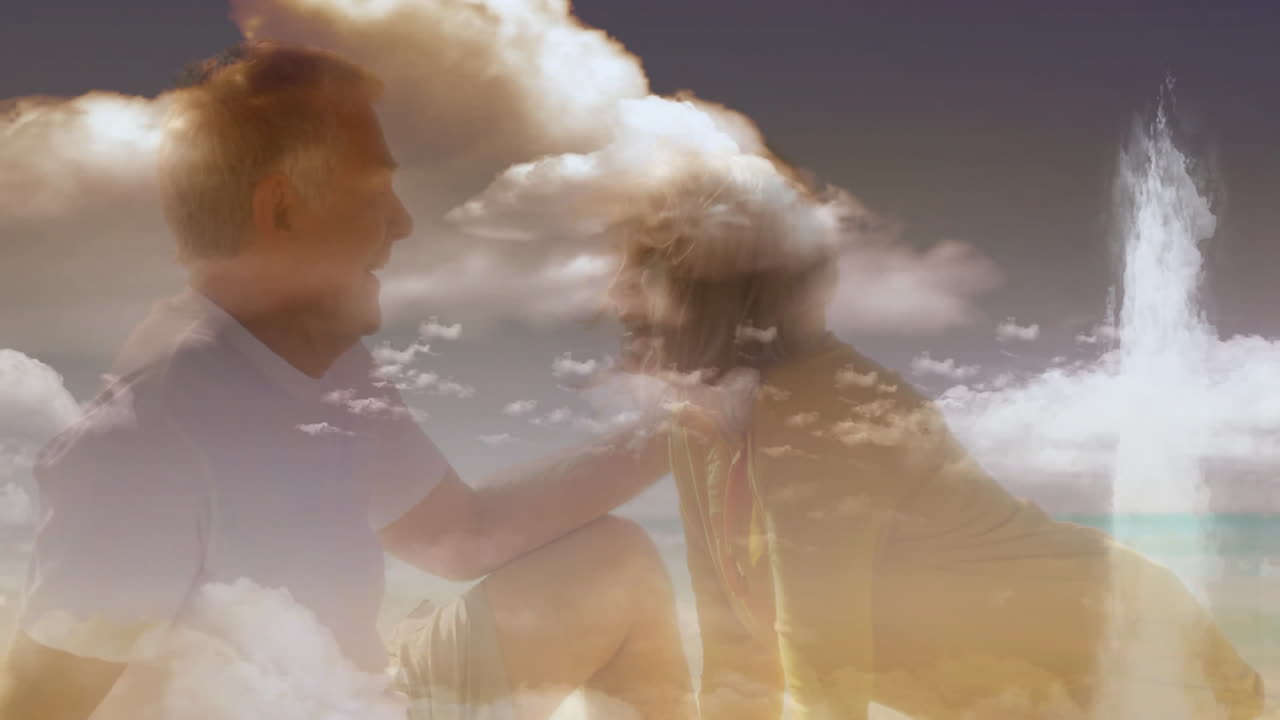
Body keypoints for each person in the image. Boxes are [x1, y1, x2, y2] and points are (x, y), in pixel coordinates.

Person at [0, 42, 693, 720]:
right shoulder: (141, 442)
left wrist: (684, 425)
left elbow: (461, 534)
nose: (402, 223)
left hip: (367, 696)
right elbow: (40, 707)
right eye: (374, 190)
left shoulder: (328, 367)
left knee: (616, 562)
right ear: (282, 209)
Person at [601, 157, 1267, 719]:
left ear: (718, 292)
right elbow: (736, 660)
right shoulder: (700, 432)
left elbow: (825, 678)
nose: (614, 296)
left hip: (1138, 662)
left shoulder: (826, 415)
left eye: (644, 269)